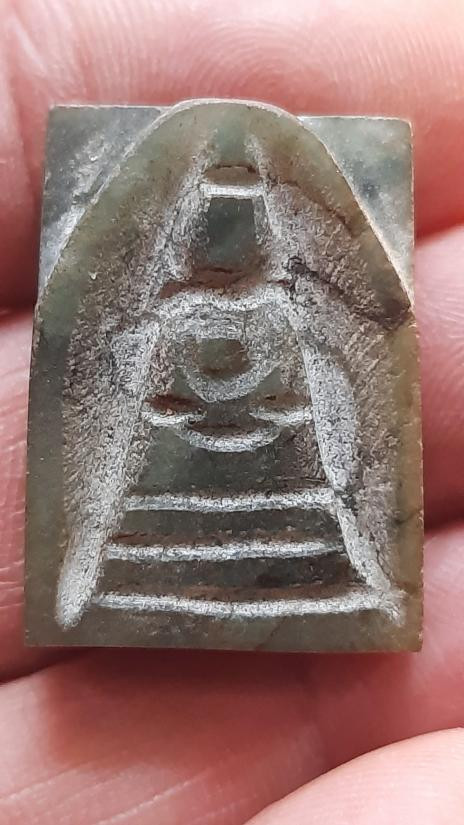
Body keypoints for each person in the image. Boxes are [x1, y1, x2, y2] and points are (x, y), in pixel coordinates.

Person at [0, 1, 463, 822]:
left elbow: (318, 398)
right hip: (167, 500)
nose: (229, 237)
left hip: (285, 495)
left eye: (243, 216)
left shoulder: (286, 312)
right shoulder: (168, 314)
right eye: (215, 218)